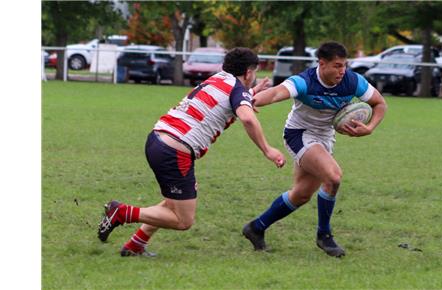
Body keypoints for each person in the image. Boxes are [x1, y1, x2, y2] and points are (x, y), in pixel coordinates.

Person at [97, 47, 286, 257]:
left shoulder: (219, 79)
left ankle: (135, 245)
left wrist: (250, 93)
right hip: (174, 151)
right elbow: (248, 118)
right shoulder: (236, 89)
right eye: (254, 73)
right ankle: (122, 212)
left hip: (158, 139)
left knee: (176, 199)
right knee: (183, 220)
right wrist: (267, 149)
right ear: (249, 72)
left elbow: (231, 98)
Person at [242, 41, 387, 257]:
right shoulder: (305, 81)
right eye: (337, 66)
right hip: (299, 134)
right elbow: (275, 93)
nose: (342, 71)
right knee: (333, 177)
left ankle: (256, 227)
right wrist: (251, 101)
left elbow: (380, 103)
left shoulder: (352, 81)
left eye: (344, 65)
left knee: (301, 194)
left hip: (325, 137)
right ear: (322, 63)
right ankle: (324, 235)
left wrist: (370, 128)